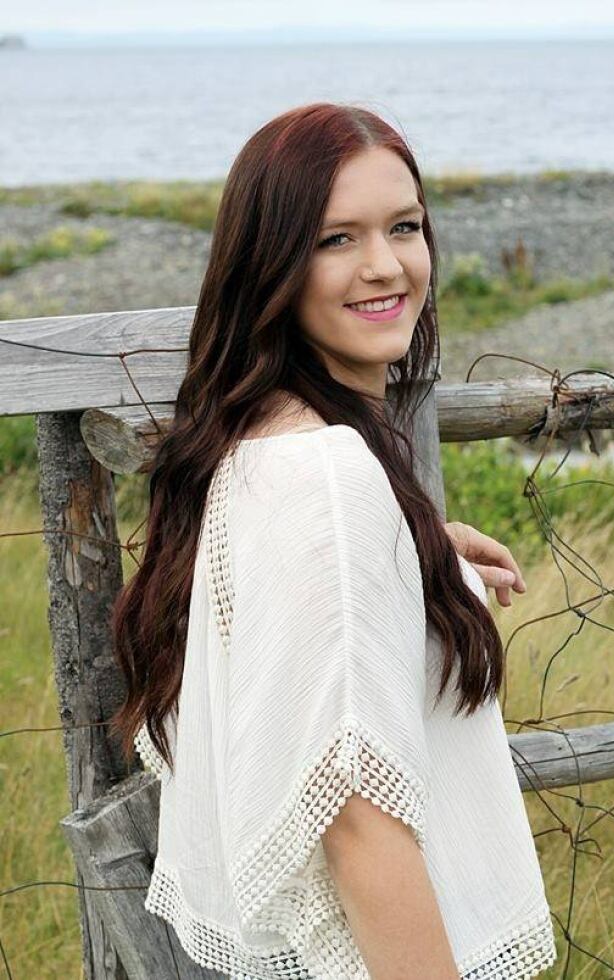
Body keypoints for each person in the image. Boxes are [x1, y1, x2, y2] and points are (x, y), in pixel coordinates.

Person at [110, 102, 556, 980]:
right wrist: (363, 527)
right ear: (269, 264)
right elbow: (355, 814)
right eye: (335, 240)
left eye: (404, 227)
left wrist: (418, 547)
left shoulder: (276, 443)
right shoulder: (321, 478)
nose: (385, 266)